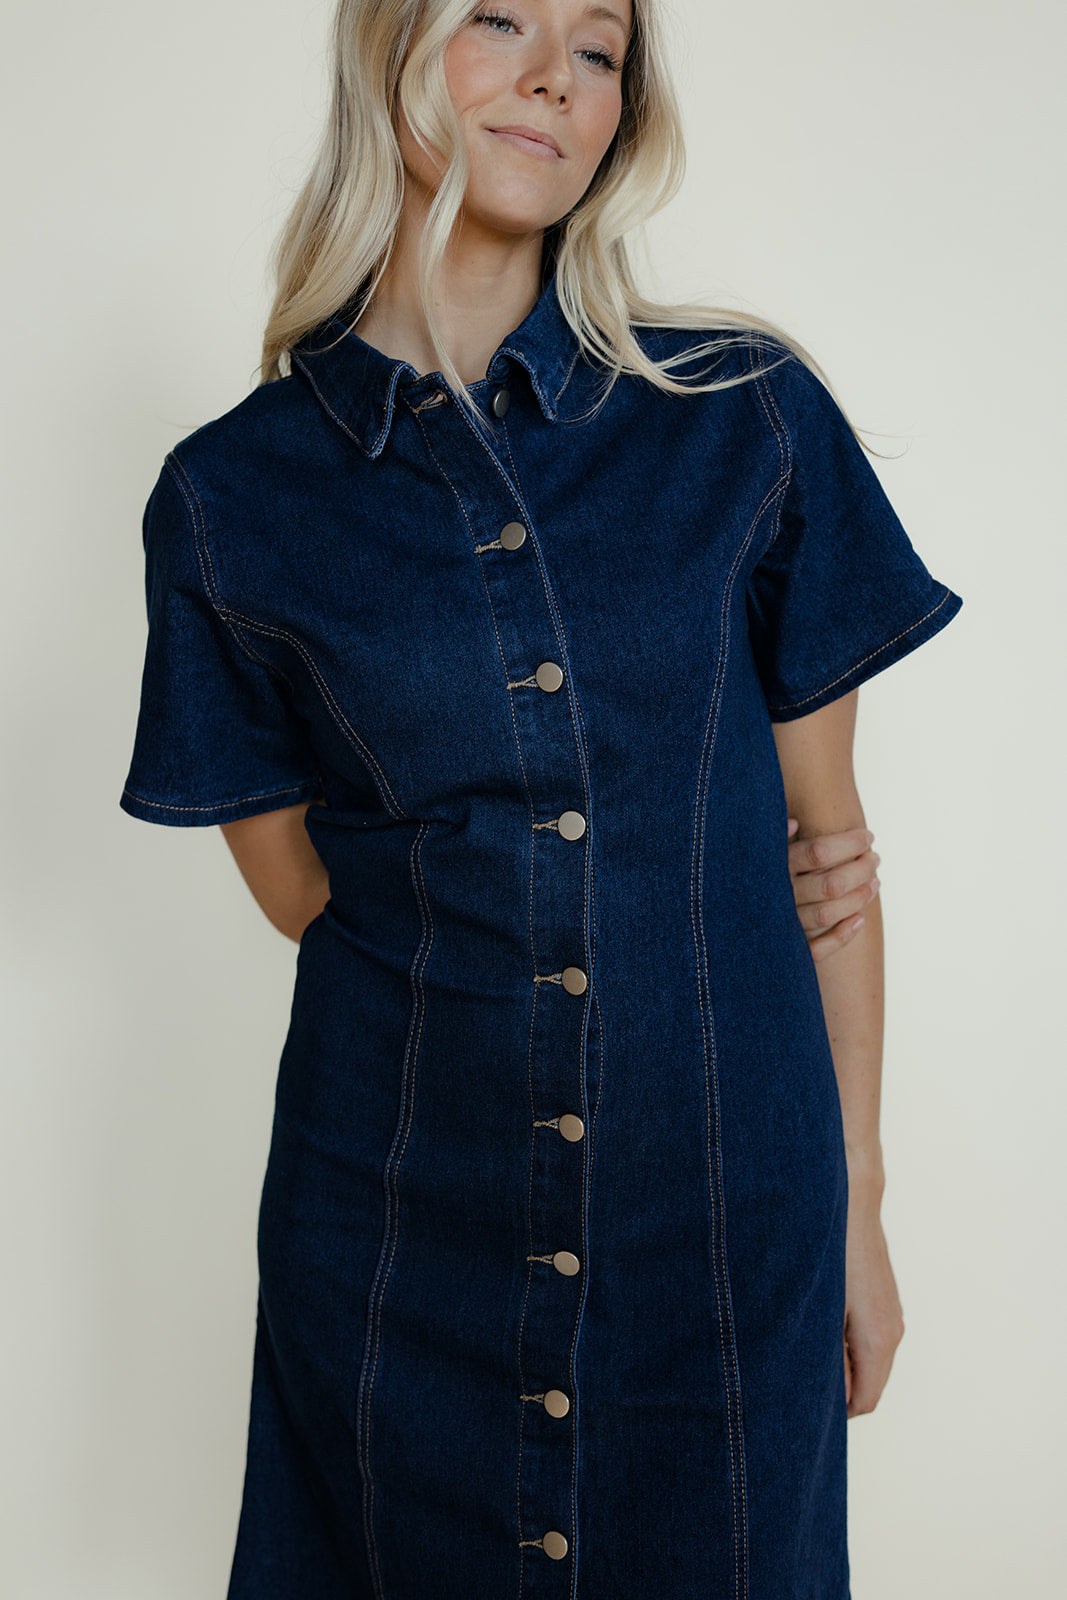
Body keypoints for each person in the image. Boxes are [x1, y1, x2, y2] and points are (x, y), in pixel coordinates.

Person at [118, 2, 962, 1595]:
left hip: (722, 1223)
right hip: (396, 1242)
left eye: (599, 46)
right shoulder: (233, 497)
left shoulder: (744, 419)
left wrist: (856, 1202)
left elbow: (827, 855)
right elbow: (306, 894)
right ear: (392, 48)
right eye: (498, 17)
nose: (553, 77)